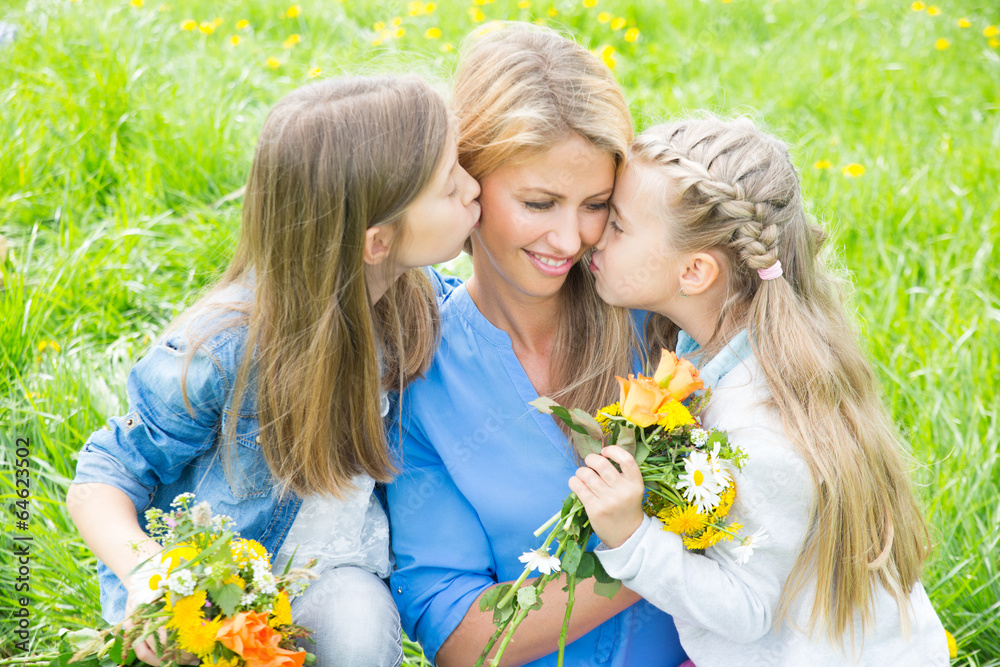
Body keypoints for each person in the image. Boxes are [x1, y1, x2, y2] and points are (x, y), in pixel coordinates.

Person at [65, 74, 481, 666]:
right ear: (377, 241)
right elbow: (104, 475)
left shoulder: (419, 305)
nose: (474, 188)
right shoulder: (226, 350)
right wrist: (150, 578)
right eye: (449, 185)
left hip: (334, 573)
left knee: (361, 635)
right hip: (224, 595)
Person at [573, 115, 949, 665]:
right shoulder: (733, 350)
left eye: (619, 226)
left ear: (696, 271)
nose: (595, 235)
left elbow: (745, 610)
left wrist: (632, 539)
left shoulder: (756, 423)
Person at [386, 23, 688, 667]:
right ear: (468, 183)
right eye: (540, 202)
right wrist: (656, 552)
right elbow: (460, 634)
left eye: (596, 204)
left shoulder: (659, 318)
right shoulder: (422, 371)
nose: (570, 239)